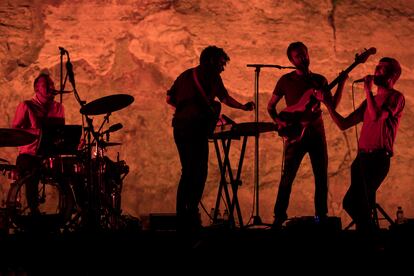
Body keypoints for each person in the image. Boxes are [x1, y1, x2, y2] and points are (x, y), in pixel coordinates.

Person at [166, 45, 255, 232]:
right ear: (212, 61)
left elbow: (169, 99)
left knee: (187, 172)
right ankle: (191, 216)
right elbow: (225, 99)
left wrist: (185, 111)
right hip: (195, 130)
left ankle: (183, 217)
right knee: (200, 172)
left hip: (179, 128)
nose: (223, 68)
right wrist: (243, 107)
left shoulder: (185, 75)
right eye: (222, 64)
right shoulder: (213, 76)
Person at [315, 57, 404, 233]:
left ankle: (370, 238)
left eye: (382, 68)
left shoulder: (396, 97)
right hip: (362, 158)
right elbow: (343, 124)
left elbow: (378, 115)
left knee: (362, 202)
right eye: (377, 67)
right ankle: (370, 233)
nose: (376, 70)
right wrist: (327, 104)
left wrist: (367, 91)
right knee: (351, 202)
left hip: (378, 158)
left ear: (393, 75)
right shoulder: (369, 101)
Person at [267, 42, 346, 228]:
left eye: (304, 54)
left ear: (308, 54)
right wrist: (280, 122)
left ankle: (321, 217)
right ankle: (279, 217)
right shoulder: (285, 81)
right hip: (295, 134)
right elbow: (270, 106)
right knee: (288, 176)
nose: (302, 58)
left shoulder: (320, 80)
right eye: (297, 56)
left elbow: (332, 104)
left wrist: (341, 83)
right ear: (291, 60)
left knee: (320, 175)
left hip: (317, 133)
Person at [12, 72, 65, 215]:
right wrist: (35, 132)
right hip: (30, 155)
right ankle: (34, 211)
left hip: (50, 154)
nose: (50, 87)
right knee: (32, 169)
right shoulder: (26, 106)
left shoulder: (58, 107)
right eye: (46, 85)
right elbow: (14, 132)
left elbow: (60, 133)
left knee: (72, 169)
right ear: (36, 89)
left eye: (52, 84)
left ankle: (70, 208)